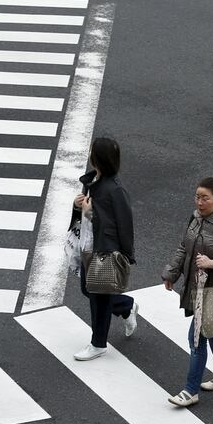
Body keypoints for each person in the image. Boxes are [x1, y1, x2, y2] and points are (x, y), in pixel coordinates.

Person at [161, 178, 213, 407]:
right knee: (212, 331)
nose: (199, 202)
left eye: (205, 198)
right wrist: (171, 273)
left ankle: (190, 391)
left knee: (197, 337)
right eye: (197, 197)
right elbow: (184, 246)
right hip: (196, 287)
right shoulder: (196, 218)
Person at [73, 137, 137, 361]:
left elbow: (124, 224)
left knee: (98, 296)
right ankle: (126, 306)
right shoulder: (92, 181)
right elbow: (87, 213)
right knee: (88, 290)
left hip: (104, 250)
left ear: (97, 158)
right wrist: (78, 206)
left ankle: (98, 343)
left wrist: (128, 254)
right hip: (88, 245)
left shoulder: (115, 190)